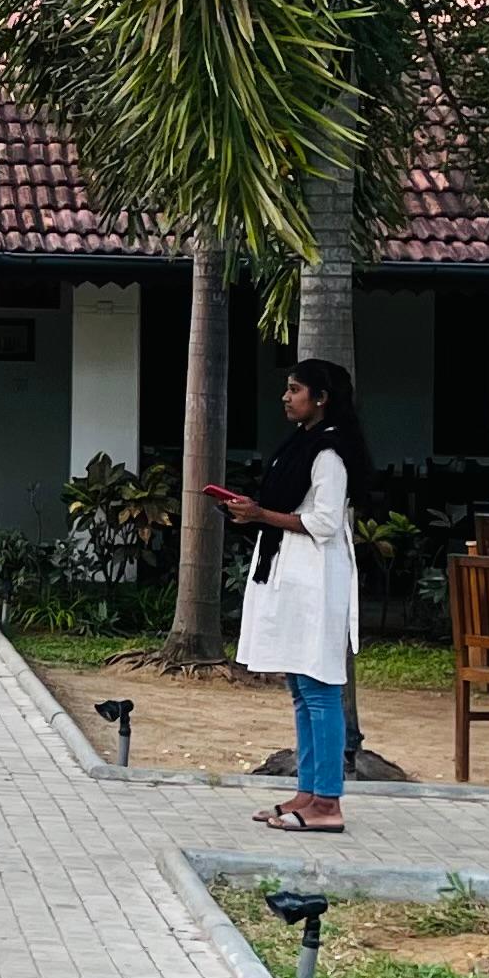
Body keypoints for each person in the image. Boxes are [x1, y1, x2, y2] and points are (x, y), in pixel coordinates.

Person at [210, 357, 368, 833]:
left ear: (320, 398)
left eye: (295, 389)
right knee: (300, 686)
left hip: (317, 576)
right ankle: (308, 790)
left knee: (320, 687)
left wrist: (261, 515)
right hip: (292, 572)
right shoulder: (300, 444)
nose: (286, 396)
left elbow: (322, 522)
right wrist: (251, 513)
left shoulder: (330, 453)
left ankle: (329, 803)